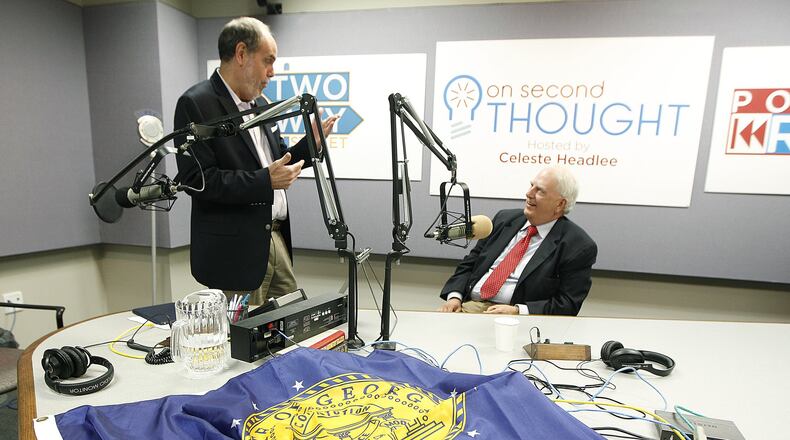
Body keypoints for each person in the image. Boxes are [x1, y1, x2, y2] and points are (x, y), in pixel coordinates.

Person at [175, 17, 338, 304]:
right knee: (243, 341)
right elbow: (198, 181)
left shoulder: (261, 105)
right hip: (234, 251)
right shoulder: (196, 103)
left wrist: (312, 144)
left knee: (289, 324)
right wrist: (265, 180)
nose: (272, 73)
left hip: (274, 239)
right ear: (241, 54)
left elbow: (279, 161)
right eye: (268, 61)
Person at [438, 166, 597, 316]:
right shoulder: (504, 219)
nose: (529, 193)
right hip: (468, 307)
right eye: (531, 185)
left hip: (519, 320)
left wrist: (518, 311)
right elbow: (470, 263)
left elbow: (568, 304)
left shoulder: (578, 245)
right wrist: (455, 296)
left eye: (540, 190)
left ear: (560, 204)